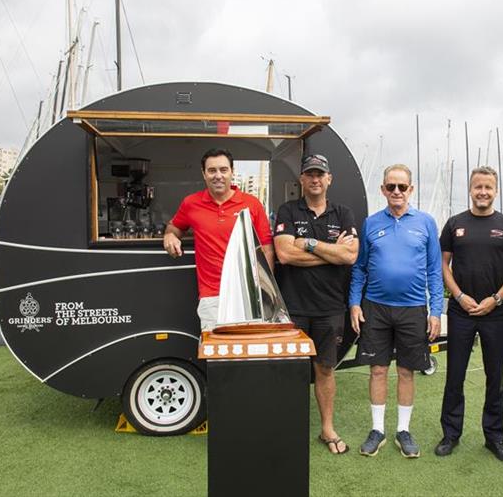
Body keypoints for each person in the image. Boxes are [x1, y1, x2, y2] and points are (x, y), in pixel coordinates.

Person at [349, 163, 443, 459]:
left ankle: (403, 430)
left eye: (402, 186)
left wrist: (436, 311)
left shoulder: (426, 222)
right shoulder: (371, 223)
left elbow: (435, 271)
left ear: (411, 189)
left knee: (406, 371)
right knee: (377, 370)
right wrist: (354, 303)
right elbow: (360, 268)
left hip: (414, 308)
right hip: (375, 308)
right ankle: (378, 430)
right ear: (383, 190)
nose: (397, 192)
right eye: (391, 186)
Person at [434, 166, 503, 463]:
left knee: (494, 377)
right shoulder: (454, 223)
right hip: (461, 311)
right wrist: (459, 295)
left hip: (495, 314)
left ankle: (495, 438)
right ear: (470, 190)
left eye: (488, 187)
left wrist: (496, 299)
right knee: (455, 376)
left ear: (495, 190)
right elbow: (443, 265)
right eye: (478, 187)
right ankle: (450, 434)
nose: (483, 192)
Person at [273, 154, 359, 455]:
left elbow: (350, 257)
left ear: (329, 179)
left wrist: (308, 243)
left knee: (324, 369)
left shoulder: (343, 213)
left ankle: (327, 429)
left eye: (320, 174)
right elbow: (284, 255)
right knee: (290, 371)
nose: (315, 179)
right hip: (293, 307)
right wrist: (331, 252)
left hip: (330, 308)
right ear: (302, 180)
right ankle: (285, 428)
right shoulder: (288, 209)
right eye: (309, 174)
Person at [163, 147, 273, 331]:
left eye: (223, 170)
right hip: (212, 297)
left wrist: (264, 292)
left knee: (248, 355)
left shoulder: (251, 204)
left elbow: (266, 248)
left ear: (232, 172)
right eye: (212, 170)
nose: (218, 176)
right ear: (204, 174)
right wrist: (169, 235)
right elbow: (175, 227)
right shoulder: (191, 203)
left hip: (248, 296)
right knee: (216, 355)